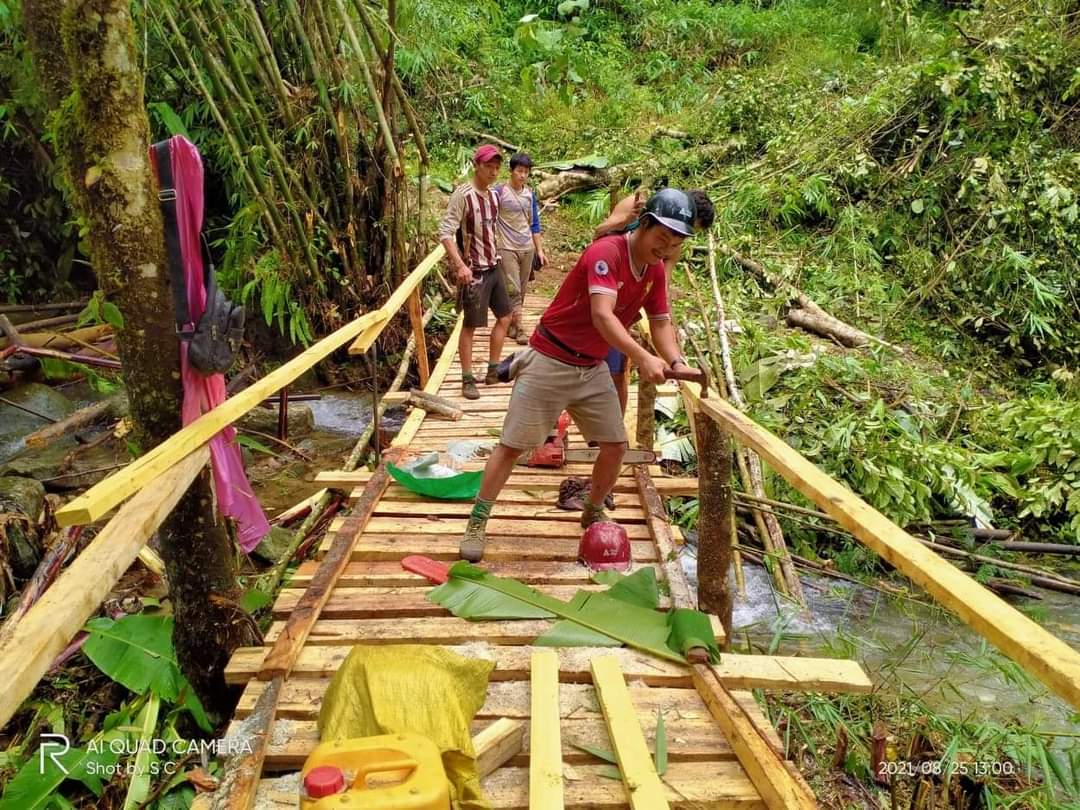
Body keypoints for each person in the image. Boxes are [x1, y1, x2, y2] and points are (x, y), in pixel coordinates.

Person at [459, 190, 700, 562]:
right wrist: (642, 356)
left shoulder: (653, 271)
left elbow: (660, 322)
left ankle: (592, 508)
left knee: (615, 447)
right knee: (512, 446)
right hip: (550, 357)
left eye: (675, 244)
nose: (666, 249)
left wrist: (676, 361)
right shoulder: (607, 254)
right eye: (662, 238)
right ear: (644, 224)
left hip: (591, 366)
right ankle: (477, 519)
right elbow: (603, 315)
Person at [593, 188, 716, 412]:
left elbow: (660, 289)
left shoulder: (671, 248)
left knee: (616, 373)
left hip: (622, 311)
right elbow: (598, 235)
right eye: (667, 235)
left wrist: (674, 356)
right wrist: (626, 221)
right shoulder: (633, 210)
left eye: (682, 237)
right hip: (600, 294)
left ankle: (614, 425)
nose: (672, 243)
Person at [438, 144, 513, 400]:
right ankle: (467, 378)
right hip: (475, 271)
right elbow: (446, 232)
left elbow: (493, 229)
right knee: (470, 325)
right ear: (477, 166)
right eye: (488, 166)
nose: (493, 171)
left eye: (497, 167)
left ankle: (493, 369)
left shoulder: (493, 196)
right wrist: (460, 264)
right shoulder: (463, 195)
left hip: (494, 265)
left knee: (505, 317)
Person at [496, 153, 548, 345]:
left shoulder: (529, 195)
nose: (523, 175)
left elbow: (534, 224)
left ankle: (511, 323)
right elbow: (489, 218)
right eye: (519, 171)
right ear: (511, 171)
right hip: (506, 248)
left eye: (526, 172)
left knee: (522, 289)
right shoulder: (499, 192)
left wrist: (539, 250)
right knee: (513, 289)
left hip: (527, 248)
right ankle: (519, 328)